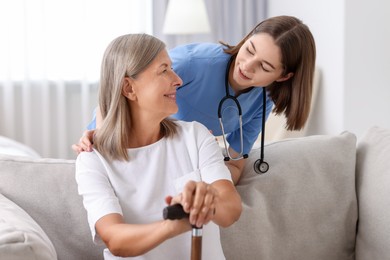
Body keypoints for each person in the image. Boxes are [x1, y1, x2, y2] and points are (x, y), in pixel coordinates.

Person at [73, 15, 316, 184]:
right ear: (248, 37)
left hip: (184, 166)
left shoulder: (264, 100)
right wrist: (100, 132)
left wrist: (210, 185)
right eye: (250, 50)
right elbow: (123, 87)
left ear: (284, 76)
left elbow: (235, 164)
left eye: (264, 66)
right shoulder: (192, 64)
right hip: (137, 150)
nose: (247, 66)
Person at [75, 33, 242, 259]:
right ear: (129, 88)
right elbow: (115, 239)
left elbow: (230, 211)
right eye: (164, 70)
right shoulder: (93, 159)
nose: (178, 80)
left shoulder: (195, 136)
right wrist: (172, 225)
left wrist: (207, 200)